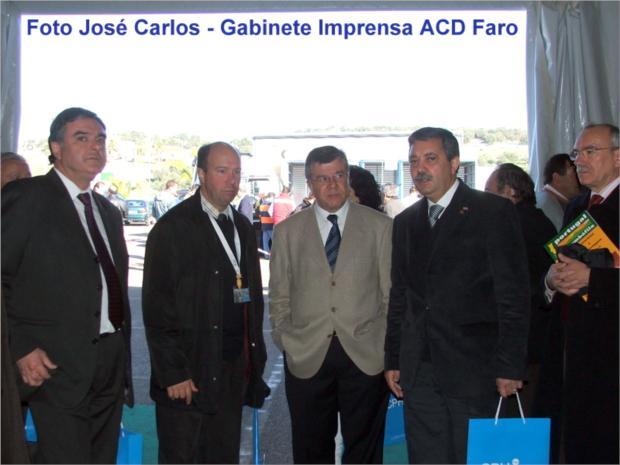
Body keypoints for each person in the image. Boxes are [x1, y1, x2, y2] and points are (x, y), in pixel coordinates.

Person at [384, 127, 530, 464]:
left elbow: (513, 295)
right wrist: (393, 358)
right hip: (419, 370)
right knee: (427, 457)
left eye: (430, 159)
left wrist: (511, 365)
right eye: (413, 161)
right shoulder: (406, 222)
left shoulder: (492, 212)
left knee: (472, 457)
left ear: (454, 163)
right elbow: (400, 295)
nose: (420, 168)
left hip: (474, 369)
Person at [1, 107, 133, 463]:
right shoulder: (27, 198)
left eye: (100, 139)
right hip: (55, 364)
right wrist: (20, 346)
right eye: (82, 138)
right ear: (56, 148)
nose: (95, 147)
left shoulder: (107, 211)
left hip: (108, 361)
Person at [142, 142, 270, 464]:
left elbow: (251, 299)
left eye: (237, 172)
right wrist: (173, 372)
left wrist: (253, 362)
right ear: (201, 174)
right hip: (189, 373)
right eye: (222, 171)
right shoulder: (173, 228)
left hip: (231, 369)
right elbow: (157, 308)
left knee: (223, 455)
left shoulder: (242, 226)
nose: (232, 180)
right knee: (184, 456)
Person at [269, 145, 392, 464]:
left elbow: (390, 295)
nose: (333, 184)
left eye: (338, 175)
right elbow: (279, 295)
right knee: (310, 449)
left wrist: (382, 342)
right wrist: (286, 338)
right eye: (323, 178)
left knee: (365, 450)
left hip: (365, 356)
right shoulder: (287, 232)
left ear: (348, 177)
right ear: (309, 183)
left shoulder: (380, 226)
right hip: (307, 353)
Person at [543, 123, 618, 464]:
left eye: (590, 151)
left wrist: (593, 278)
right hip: (571, 353)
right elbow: (560, 265)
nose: (579, 161)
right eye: (576, 154)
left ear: (618, 157)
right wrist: (551, 281)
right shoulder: (576, 206)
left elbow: (591, 275)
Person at [485, 163, 556, 412]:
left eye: (489, 192)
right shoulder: (540, 220)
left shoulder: (512, 225)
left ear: (510, 192)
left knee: (516, 416)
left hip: (522, 344)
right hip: (537, 338)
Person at [536, 153, 581, 231]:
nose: (580, 178)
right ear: (557, 178)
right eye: (574, 172)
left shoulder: (546, 199)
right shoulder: (546, 205)